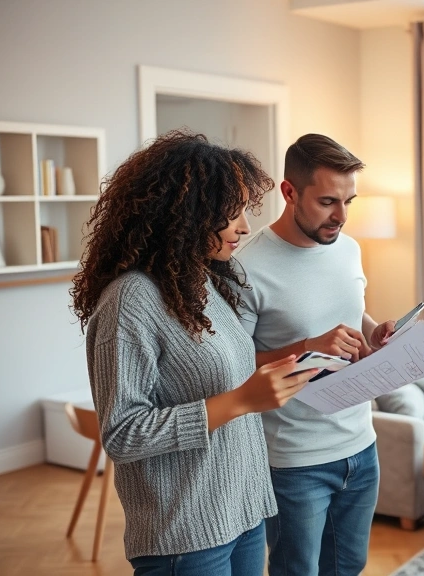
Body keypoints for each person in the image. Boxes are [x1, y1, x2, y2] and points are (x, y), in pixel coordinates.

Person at [71, 130, 319, 575]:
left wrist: (270, 378)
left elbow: (221, 377)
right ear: (185, 213)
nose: (245, 226)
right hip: (183, 533)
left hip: (240, 513)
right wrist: (241, 400)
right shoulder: (131, 300)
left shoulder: (204, 282)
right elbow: (123, 433)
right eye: (232, 213)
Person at [236, 133, 395, 576]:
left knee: (349, 567)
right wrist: (307, 347)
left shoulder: (348, 249)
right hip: (294, 459)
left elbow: (354, 314)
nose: (341, 217)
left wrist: (373, 332)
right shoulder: (246, 265)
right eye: (328, 201)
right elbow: (234, 365)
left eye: (349, 201)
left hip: (361, 445)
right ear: (289, 192)